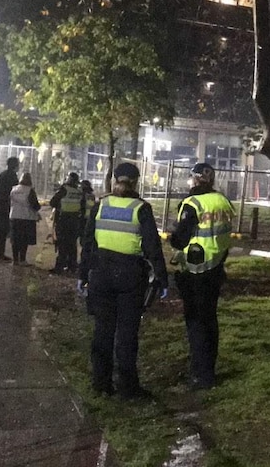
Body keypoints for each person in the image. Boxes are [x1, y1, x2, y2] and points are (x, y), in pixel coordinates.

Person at [78, 162, 168, 399]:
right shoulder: (141, 208)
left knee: (102, 329)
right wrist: (162, 278)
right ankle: (128, 387)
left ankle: (101, 382)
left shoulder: (100, 206)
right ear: (136, 182)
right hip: (130, 276)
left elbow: (88, 243)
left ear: (113, 180)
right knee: (127, 333)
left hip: (100, 274)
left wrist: (82, 274)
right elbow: (152, 247)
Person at [170, 162, 235, 390]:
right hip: (216, 267)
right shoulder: (222, 201)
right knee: (210, 319)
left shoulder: (192, 203)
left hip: (195, 271)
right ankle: (209, 368)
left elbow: (180, 239)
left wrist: (172, 236)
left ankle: (200, 374)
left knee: (196, 322)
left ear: (196, 179)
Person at [49, 171, 84, 274]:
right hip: (75, 220)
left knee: (62, 244)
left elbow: (52, 202)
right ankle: (72, 266)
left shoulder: (64, 189)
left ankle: (60, 267)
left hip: (63, 220)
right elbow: (81, 206)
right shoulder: (78, 192)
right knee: (72, 244)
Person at [0, 156, 20, 262]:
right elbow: (9, 191)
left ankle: (0, 253)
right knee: (2, 228)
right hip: (1, 205)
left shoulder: (4, 175)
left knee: (3, 229)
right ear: (15, 165)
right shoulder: (10, 176)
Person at [9, 172, 41, 266]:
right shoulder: (30, 190)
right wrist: (38, 211)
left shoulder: (14, 189)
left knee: (15, 239)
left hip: (14, 216)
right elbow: (34, 204)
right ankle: (22, 259)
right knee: (24, 240)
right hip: (27, 218)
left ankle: (15, 260)